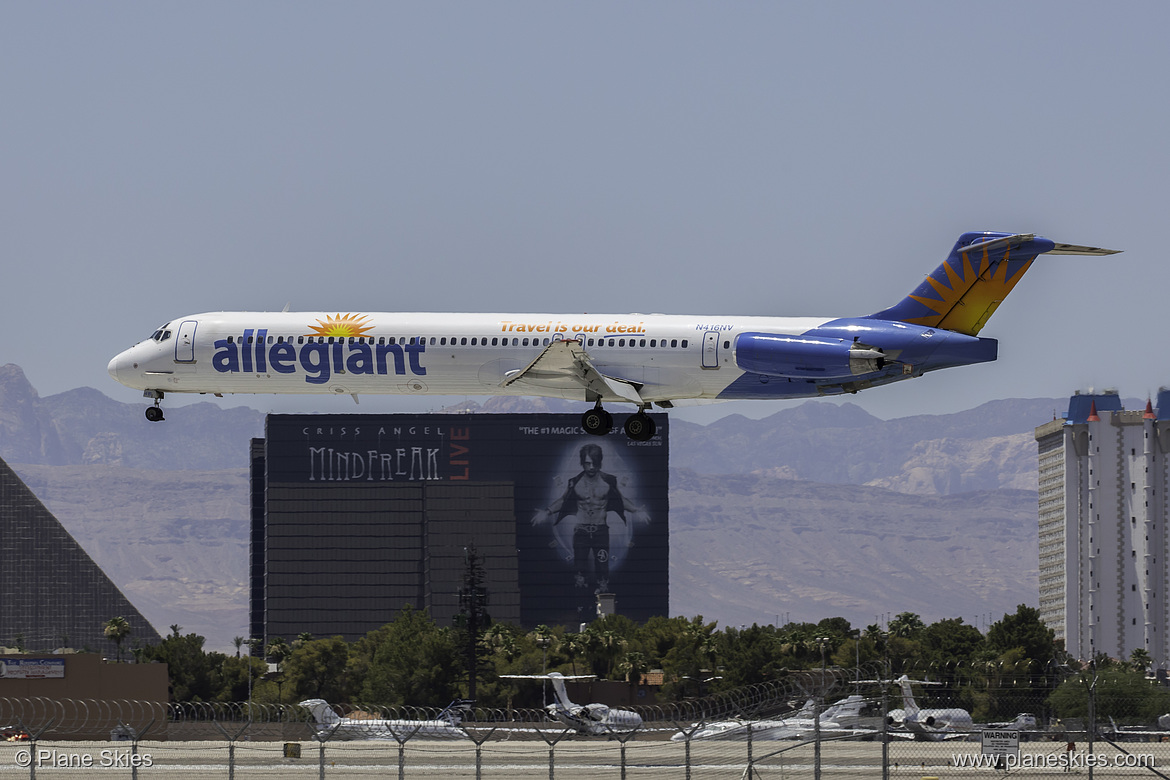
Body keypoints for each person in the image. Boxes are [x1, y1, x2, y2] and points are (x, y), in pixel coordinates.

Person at [532, 444, 648, 592]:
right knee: (579, 572)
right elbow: (563, 500)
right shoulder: (574, 482)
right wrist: (547, 511)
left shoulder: (609, 481)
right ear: (582, 463)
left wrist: (636, 510)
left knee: (603, 571)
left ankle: (604, 604)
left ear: (600, 462)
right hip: (581, 531)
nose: (591, 467)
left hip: (601, 530)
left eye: (595, 463)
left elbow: (621, 499)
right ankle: (581, 605)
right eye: (588, 463)